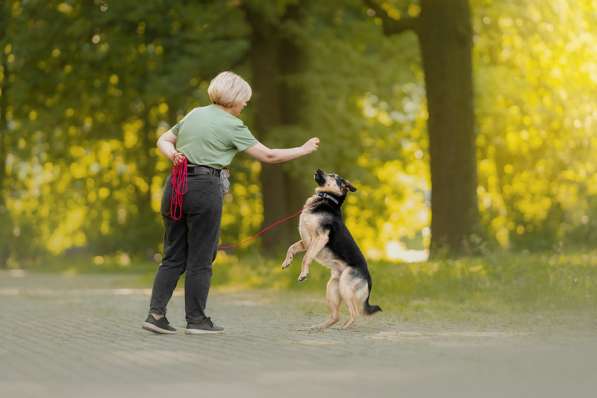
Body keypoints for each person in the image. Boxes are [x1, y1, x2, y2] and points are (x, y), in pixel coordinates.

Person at [142, 71, 320, 334]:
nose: (245, 105)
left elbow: (164, 140)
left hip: (176, 186)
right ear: (234, 98)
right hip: (204, 188)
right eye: (244, 100)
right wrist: (302, 150)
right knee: (201, 257)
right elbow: (269, 156)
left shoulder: (194, 114)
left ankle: (156, 316)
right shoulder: (231, 124)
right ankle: (197, 320)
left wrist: (173, 155)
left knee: (173, 255)